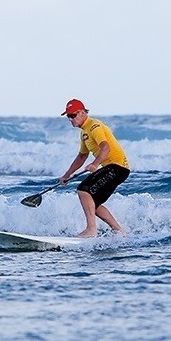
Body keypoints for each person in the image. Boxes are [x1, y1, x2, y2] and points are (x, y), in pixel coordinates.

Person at [58, 98, 131, 237]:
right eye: (68, 116)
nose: (70, 119)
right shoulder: (84, 132)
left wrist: (95, 164)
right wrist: (67, 175)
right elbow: (81, 156)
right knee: (92, 204)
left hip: (117, 167)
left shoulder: (94, 126)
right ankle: (120, 232)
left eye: (72, 115)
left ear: (82, 113)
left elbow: (105, 147)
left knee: (83, 190)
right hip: (116, 169)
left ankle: (91, 230)